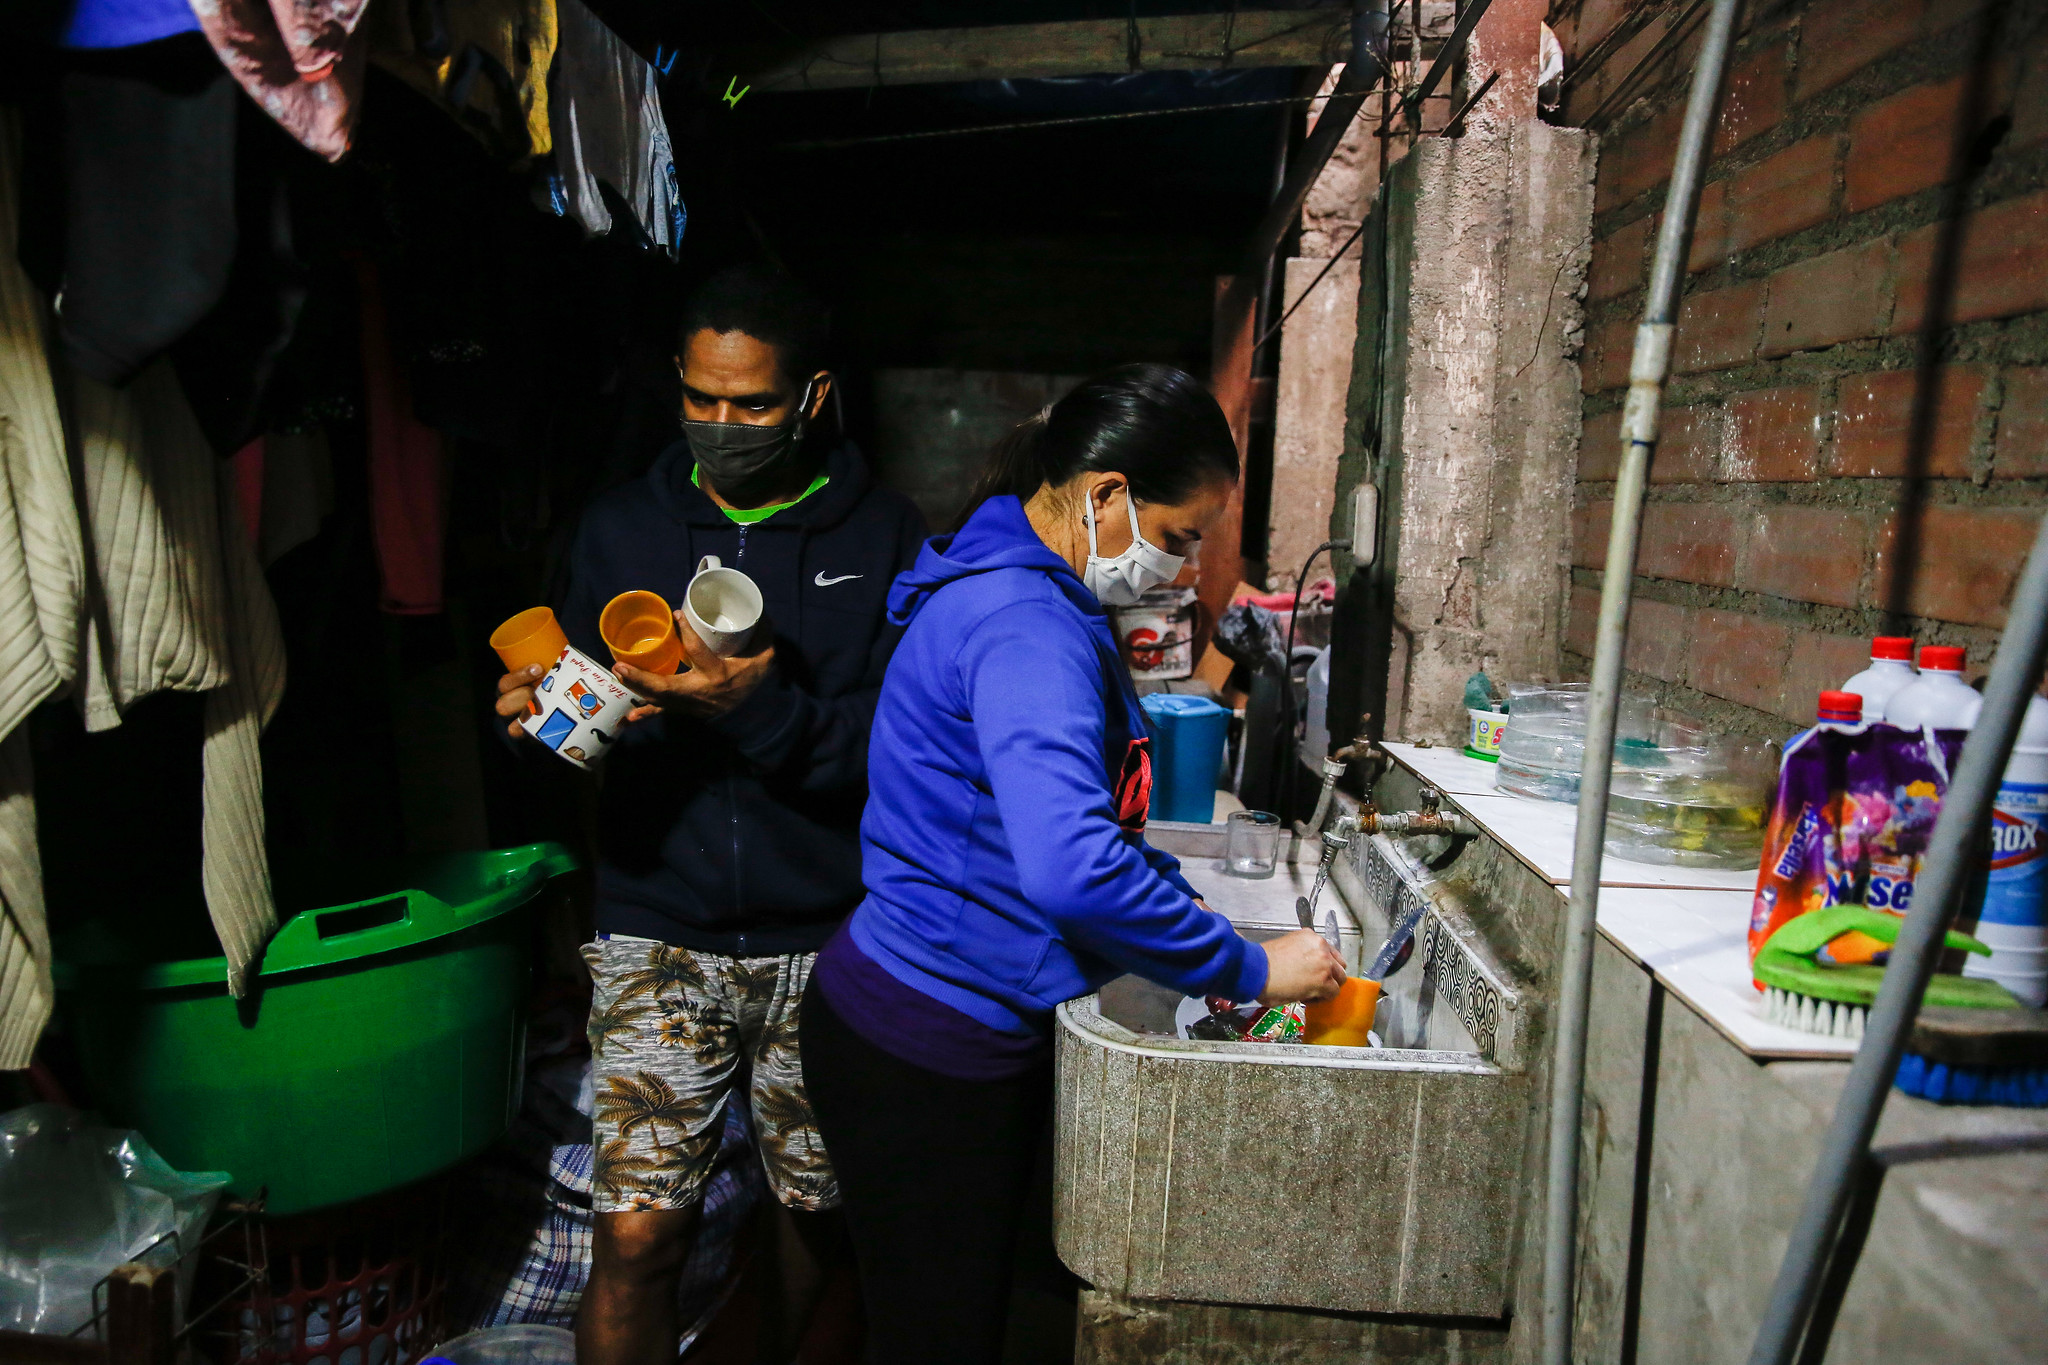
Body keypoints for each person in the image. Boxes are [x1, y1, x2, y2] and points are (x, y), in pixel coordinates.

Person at [799, 363, 1347, 1363]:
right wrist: (1248, 966)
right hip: (923, 1040)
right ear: (1105, 495)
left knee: (936, 1317)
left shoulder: (1024, 593)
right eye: (1180, 534)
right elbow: (1073, 870)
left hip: (924, 1018)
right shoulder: (1024, 624)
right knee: (938, 1339)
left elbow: (1075, 834)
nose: (1186, 568)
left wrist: (1193, 920)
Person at [492, 264, 927, 1365]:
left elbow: (902, 752)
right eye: (701, 397)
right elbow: (575, 710)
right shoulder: (619, 527)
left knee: (817, 1220)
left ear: (812, 396)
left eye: (752, 403)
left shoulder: (883, 537)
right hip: (657, 921)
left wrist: (758, 709)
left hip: (829, 938)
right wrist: (536, 721)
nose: (721, 423)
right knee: (637, 1234)